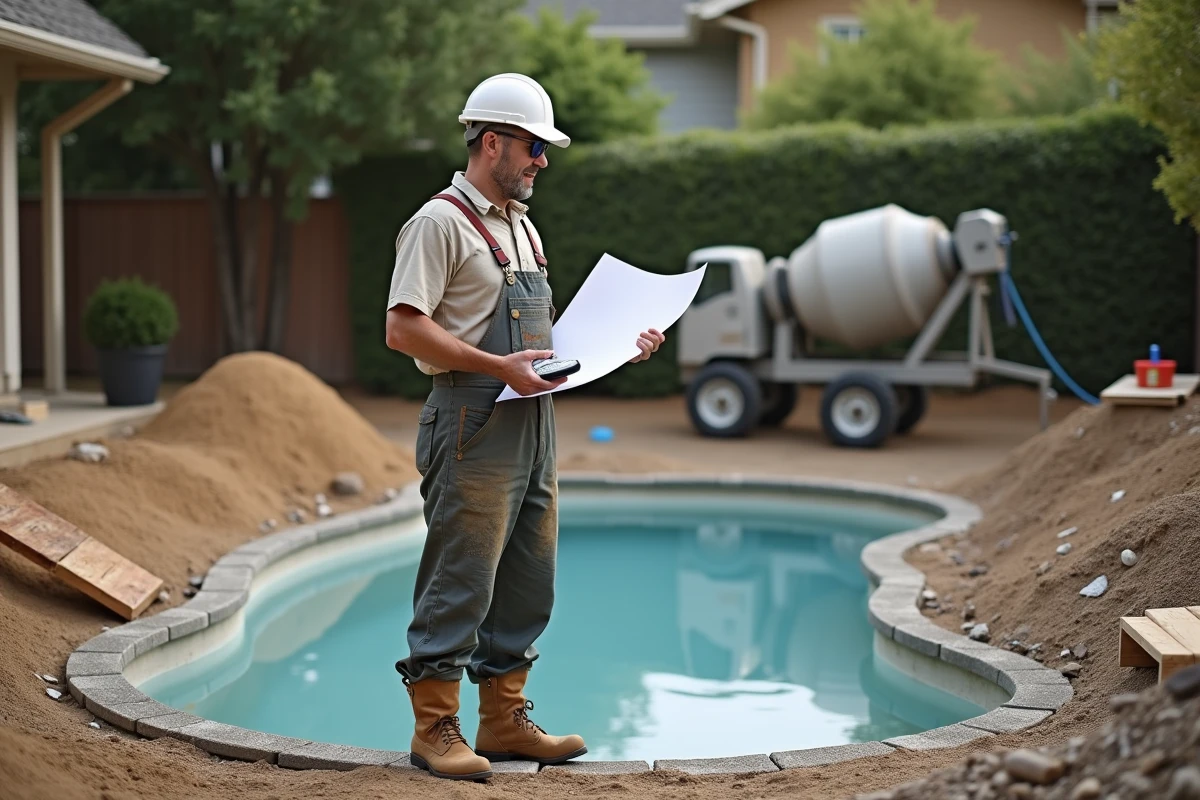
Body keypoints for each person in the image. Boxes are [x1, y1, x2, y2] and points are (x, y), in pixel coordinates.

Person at [384, 72, 665, 781]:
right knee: (461, 578)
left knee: (527, 581)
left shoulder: (522, 225)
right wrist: (496, 367)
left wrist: (620, 343)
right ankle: (434, 729)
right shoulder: (439, 223)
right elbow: (403, 328)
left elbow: (542, 341)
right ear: (491, 142)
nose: (542, 161)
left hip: (532, 421)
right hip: (472, 418)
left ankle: (503, 720)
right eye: (534, 147)